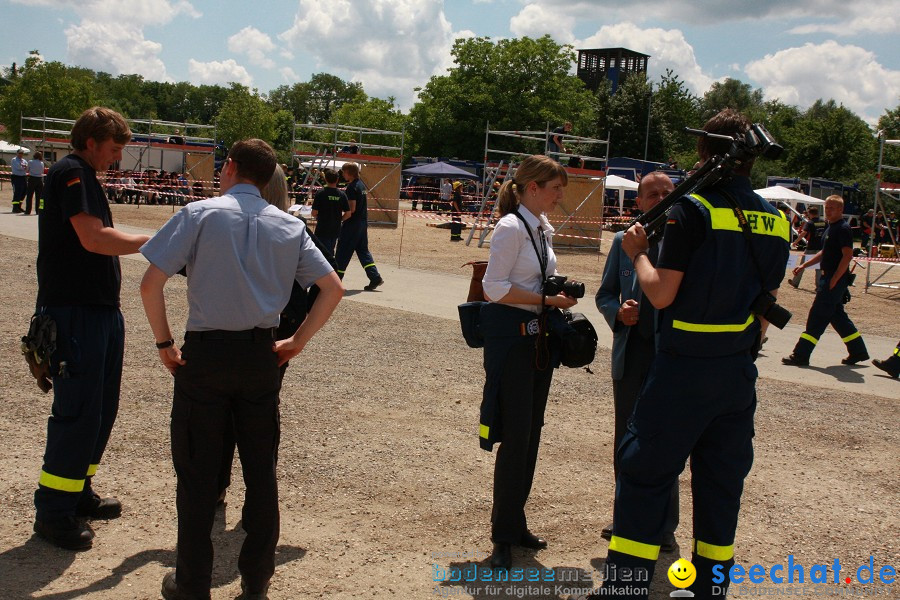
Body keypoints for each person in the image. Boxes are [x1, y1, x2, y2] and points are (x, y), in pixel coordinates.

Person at [590, 109, 790, 599]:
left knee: (644, 475)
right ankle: (709, 591)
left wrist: (637, 250)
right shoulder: (776, 219)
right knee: (722, 489)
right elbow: (765, 311)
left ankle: (625, 590)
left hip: (683, 370)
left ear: (705, 152)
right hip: (737, 372)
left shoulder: (691, 211)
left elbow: (660, 294)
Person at [139, 138, 343, 600]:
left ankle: (192, 583)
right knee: (260, 472)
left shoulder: (198, 213)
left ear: (229, 167)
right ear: (269, 176)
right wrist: (297, 342)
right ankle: (255, 581)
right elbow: (332, 288)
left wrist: (164, 343)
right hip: (260, 356)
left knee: (197, 473)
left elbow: (150, 284)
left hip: (206, 355)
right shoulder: (289, 225)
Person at [32, 107, 151, 551]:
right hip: (76, 312)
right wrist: (156, 242)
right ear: (91, 141)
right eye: (115, 148)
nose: (117, 158)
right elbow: (94, 239)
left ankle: (76, 491)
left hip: (97, 311)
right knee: (79, 411)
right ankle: (54, 511)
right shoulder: (72, 172)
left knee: (100, 409)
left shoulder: (84, 174)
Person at [478, 155, 577, 571]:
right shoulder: (510, 226)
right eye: (555, 188)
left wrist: (551, 294)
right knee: (516, 436)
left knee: (531, 433)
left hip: (537, 341)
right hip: (513, 342)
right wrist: (549, 300)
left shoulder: (539, 227)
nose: (559, 197)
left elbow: (530, 278)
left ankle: (515, 523)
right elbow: (493, 288)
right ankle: (502, 535)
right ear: (533, 187)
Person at [594, 171, 678, 553]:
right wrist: (618, 313)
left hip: (670, 356)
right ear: (640, 202)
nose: (659, 198)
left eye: (666, 192)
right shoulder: (622, 241)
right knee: (626, 441)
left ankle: (664, 527)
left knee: (666, 441)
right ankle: (626, 518)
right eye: (651, 194)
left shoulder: (684, 239)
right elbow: (605, 293)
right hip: (631, 355)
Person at [783, 195, 869, 367]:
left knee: (817, 316)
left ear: (840, 210)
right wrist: (804, 265)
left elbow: (847, 255)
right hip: (828, 277)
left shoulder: (843, 228)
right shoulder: (831, 227)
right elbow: (824, 252)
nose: (828, 211)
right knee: (837, 317)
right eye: (826, 207)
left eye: (832, 208)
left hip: (833, 278)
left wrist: (836, 278)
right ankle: (858, 351)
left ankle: (801, 354)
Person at [335, 162, 383, 290]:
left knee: (342, 252)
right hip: (362, 223)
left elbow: (352, 209)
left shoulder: (351, 187)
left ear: (349, 173)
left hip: (352, 225)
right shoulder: (361, 185)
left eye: (344, 172)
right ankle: (375, 277)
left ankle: (335, 281)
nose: (343, 174)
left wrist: (340, 219)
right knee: (363, 251)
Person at [311, 168, 351, 255]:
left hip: (322, 227)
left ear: (325, 179)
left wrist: (319, 218)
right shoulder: (342, 194)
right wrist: (339, 219)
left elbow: (314, 212)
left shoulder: (320, 193)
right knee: (330, 250)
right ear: (337, 180)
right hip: (335, 228)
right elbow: (348, 213)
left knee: (320, 252)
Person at [788, 205, 826, 288]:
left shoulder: (810, 222)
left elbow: (803, 233)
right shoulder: (824, 222)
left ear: (810, 213)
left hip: (811, 247)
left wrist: (795, 242)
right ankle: (819, 286)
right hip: (821, 247)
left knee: (802, 265)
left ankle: (795, 282)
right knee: (819, 267)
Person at [24, 151, 46, 215]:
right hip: (39, 179)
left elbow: (27, 170)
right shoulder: (42, 163)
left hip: (32, 178)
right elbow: (42, 171)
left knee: (29, 195)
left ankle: (28, 211)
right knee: (39, 196)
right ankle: (38, 211)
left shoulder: (30, 162)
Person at [11, 148, 28, 213]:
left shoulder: (24, 160)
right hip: (16, 177)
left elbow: (27, 168)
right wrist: (24, 167)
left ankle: (19, 206)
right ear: (17, 153)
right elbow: (19, 167)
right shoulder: (14, 160)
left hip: (23, 177)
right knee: (17, 191)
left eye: (22, 153)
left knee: (24, 191)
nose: (21, 154)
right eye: (20, 153)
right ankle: (15, 207)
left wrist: (24, 167)